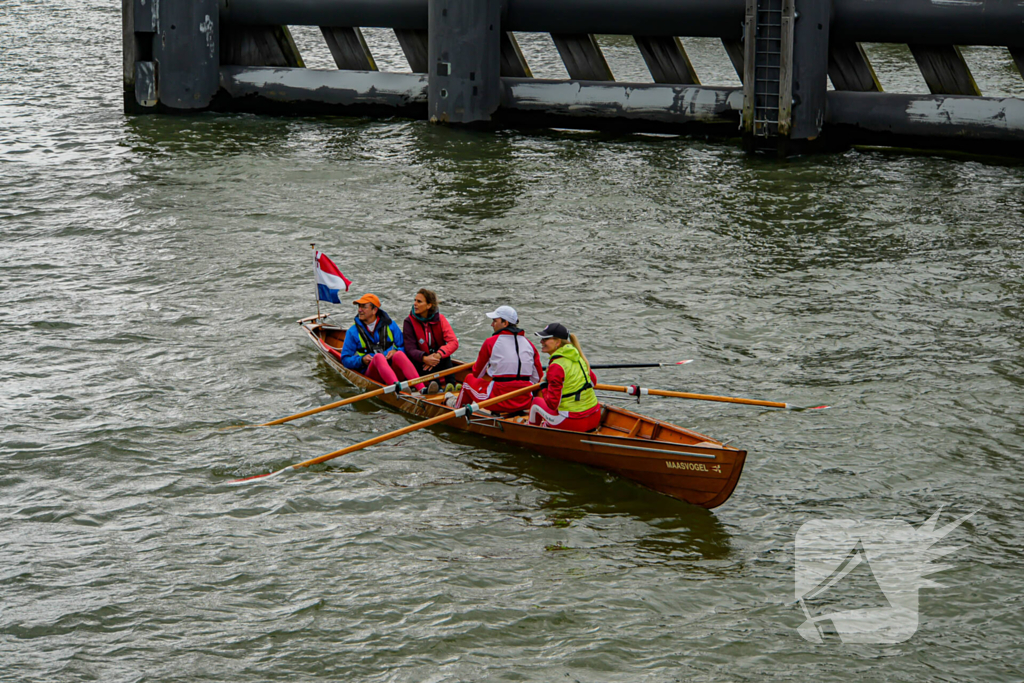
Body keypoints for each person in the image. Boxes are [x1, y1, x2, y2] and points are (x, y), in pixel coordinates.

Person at [450, 305, 541, 414]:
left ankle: (456, 410)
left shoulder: (490, 342)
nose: (491, 324)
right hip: (524, 400)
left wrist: (490, 369)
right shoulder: (530, 344)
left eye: (494, 321)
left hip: (497, 401)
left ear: (505, 323)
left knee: (468, 379)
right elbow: (537, 378)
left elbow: (477, 374)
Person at [340, 293, 426, 392]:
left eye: (364, 307)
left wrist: (395, 351)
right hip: (372, 373)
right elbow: (345, 359)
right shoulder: (352, 332)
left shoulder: (391, 325)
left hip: (392, 369)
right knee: (378, 357)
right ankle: (397, 390)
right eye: (359, 307)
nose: (359, 310)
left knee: (399, 354)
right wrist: (361, 360)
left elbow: (403, 346)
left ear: (374, 310)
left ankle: (422, 388)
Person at [529, 323, 601, 432]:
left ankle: (530, 433)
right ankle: (548, 426)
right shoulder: (578, 357)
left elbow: (553, 404)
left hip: (573, 422)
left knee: (536, 403)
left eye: (546, 338)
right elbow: (593, 382)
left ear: (558, 342)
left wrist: (543, 385)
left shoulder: (556, 366)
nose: (541, 341)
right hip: (594, 417)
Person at [403, 289, 459, 390]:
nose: (415, 304)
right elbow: (410, 349)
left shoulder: (440, 319)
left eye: (419, 301)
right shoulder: (409, 322)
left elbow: (453, 342)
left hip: (437, 358)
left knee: (446, 357)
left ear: (429, 305)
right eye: (415, 300)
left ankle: (452, 386)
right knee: (426, 364)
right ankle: (435, 389)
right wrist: (425, 358)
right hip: (420, 361)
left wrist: (438, 355)